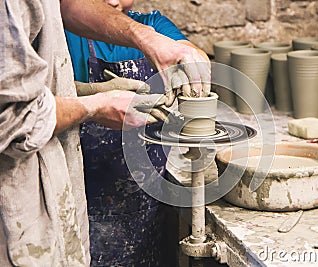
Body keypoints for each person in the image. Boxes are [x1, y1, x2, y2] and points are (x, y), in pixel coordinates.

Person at [0, 0, 210, 266]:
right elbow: (15, 116)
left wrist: (161, 44)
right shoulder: (56, 31)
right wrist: (95, 102)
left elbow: (67, 5)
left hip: (143, 197)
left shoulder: (151, 25)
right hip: (52, 195)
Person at [64, 1, 210, 265]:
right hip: (85, 193)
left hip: (147, 197)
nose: (112, 0)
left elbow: (190, 53)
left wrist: (190, 62)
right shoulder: (67, 29)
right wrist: (92, 93)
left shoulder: (152, 25)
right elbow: (37, 99)